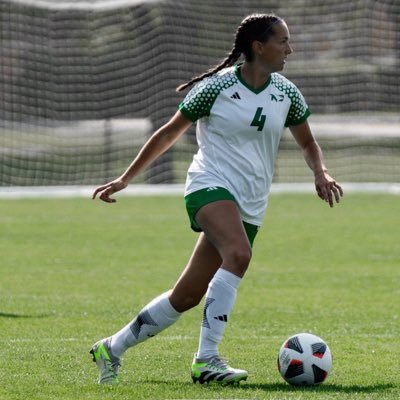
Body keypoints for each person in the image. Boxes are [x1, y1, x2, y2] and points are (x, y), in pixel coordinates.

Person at [90, 13, 343, 385]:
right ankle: (206, 360)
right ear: (259, 47)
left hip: (252, 202)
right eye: (283, 41)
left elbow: (308, 142)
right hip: (209, 185)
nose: (290, 48)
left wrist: (319, 172)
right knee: (239, 254)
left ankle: (110, 348)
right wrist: (127, 177)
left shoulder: (286, 92)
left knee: (187, 295)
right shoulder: (217, 88)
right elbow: (168, 133)